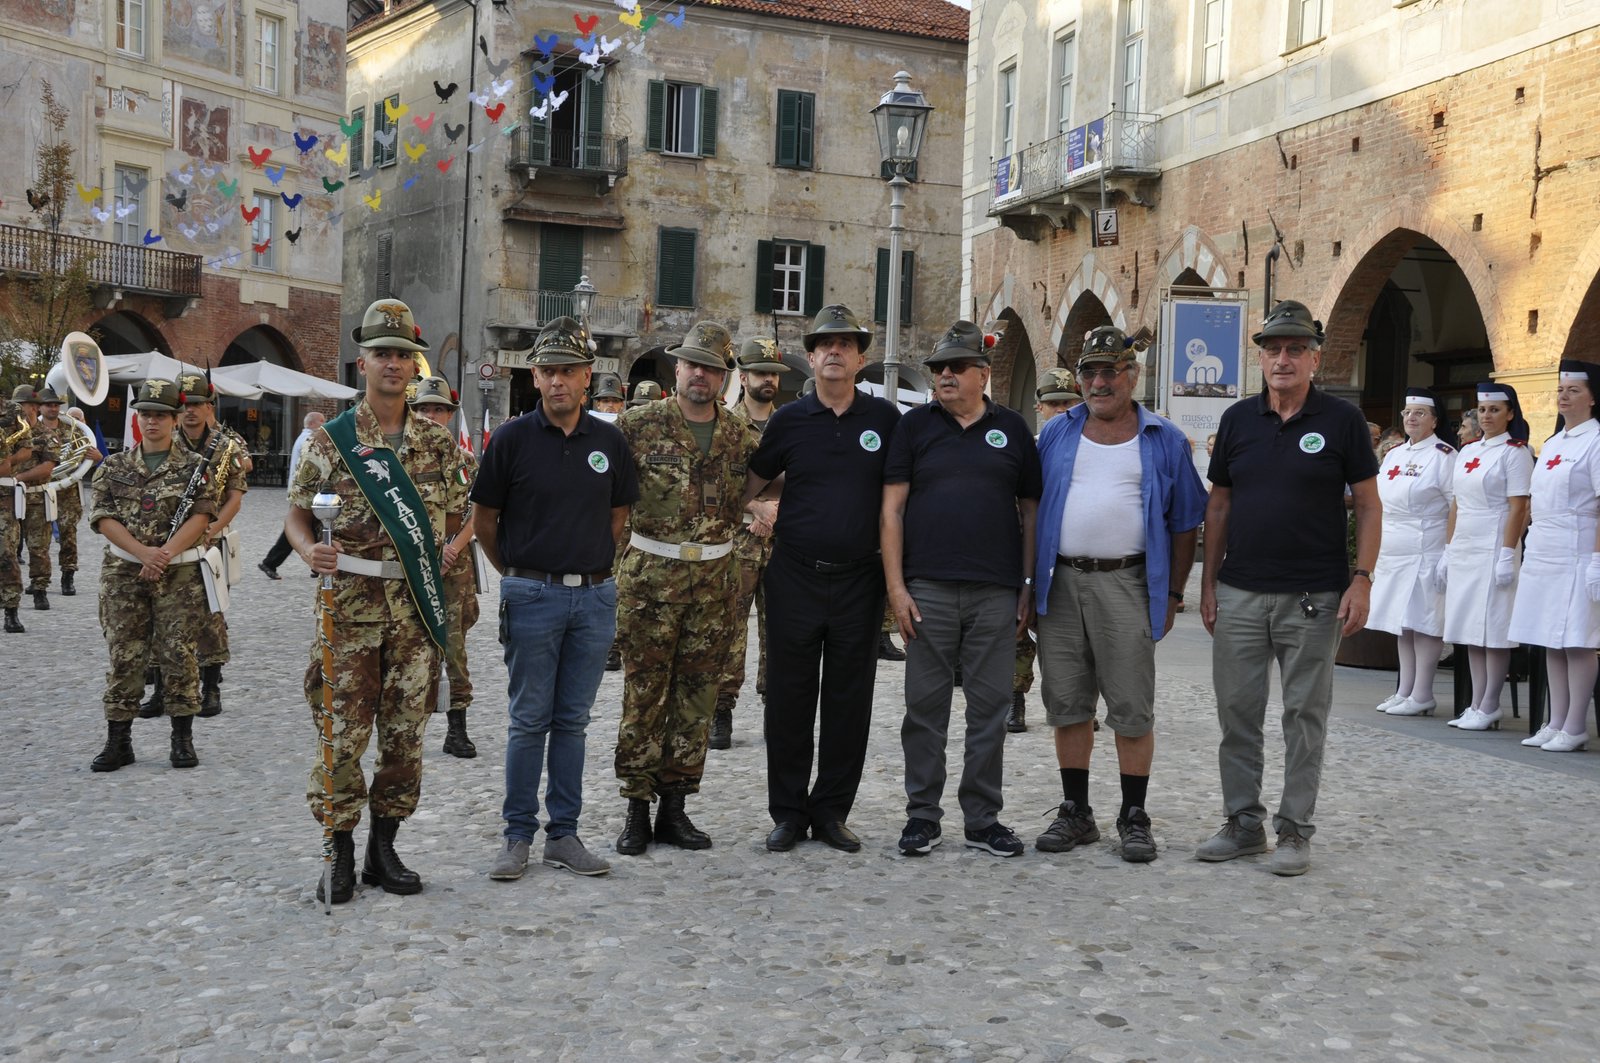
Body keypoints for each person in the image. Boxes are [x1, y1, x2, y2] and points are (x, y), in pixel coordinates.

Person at [283, 298, 469, 904]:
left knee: (404, 734)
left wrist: (451, 549)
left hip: (415, 610)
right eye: (381, 353)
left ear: (414, 365)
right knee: (341, 732)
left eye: (402, 354)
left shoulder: (438, 445)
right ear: (361, 363)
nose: (393, 364)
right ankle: (336, 851)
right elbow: (296, 517)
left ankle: (383, 848)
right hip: (350, 610)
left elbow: (462, 515)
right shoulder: (330, 441)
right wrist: (310, 552)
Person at [1197, 299, 1380, 877]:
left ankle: (1296, 831)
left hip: (1314, 594)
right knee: (1237, 714)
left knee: (1305, 716)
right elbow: (1219, 505)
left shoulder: (1341, 421)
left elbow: (1370, 507)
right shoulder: (1237, 421)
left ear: (1314, 358)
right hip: (1242, 592)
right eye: (1273, 349)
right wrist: (1207, 583)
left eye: (1295, 349)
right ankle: (1244, 824)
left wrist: (1362, 579)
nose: (1283, 359)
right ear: (1261, 358)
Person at [1030, 327, 1206, 864]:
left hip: (1128, 583)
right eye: (1090, 372)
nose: (1099, 382)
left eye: (1111, 371)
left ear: (1132, 376)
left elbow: (1184, 524)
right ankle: (1076, 811)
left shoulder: (1164, 438)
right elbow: (1029, 507)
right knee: (1066, 703)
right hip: (1060, 584)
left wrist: (1174, 593)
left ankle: (1134, 815)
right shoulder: (1057, 433)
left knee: (1131, 706)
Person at [474, 320, 639, 879]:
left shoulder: (610, 441)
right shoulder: (512, 440)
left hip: (593, 599)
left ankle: (563, 835)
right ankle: (517, 836)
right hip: (532, 595)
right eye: (548, 371)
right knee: (527, 721)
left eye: (569, 370)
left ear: (587, 377)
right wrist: (520, 578)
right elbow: (484, 522)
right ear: (536, 378)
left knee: (572, 722)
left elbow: (619, 517)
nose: (558, 381)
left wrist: (588, 566)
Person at [882, 321, 1042, 859]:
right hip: (926, 590)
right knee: (924, 710)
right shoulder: (915, 427)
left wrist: (1026, 583)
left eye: (955, 367)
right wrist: (897, 588)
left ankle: (982, 818)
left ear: (983, 373)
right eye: (938, 368)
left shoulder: (1013, 429)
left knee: (989, 709)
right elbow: (892, 509)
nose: (944, 375)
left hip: (995, 591)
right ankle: (922, 817)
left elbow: (1030, 510)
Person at [744, 304, 900, 853]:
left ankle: (832, 811)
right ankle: (787, 812)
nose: (834, 351)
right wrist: (762, 509)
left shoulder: (885, 421)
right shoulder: (789, 421)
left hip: (860, 581)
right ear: (810, 358)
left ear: (860, 358)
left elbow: (899, 500)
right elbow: (753, 484)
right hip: (795, 578)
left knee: (848, 700)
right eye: (824, 344)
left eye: (846, 344)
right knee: (788, 699)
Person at [612, 321, 763, 855]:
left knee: (697, 698)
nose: (701, 375)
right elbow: (606, 499)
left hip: (714, 588)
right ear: (677, 368)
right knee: (644, 695)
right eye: (693, 364)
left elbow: (772, 488)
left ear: (727, 377)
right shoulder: (636, 426)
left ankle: (676, 807)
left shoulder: (744, 436)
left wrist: (765, 509)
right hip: (650, 583)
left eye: (713, 368)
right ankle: (635, 809)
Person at [87, 378, 214, 772]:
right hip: (124, 572)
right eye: (146, 414)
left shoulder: (195, 467)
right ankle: (119, 741)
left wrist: (165, 554)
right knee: (125, 653)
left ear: (176, 420)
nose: (153, 421)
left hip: (178, 575)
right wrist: (143, 553)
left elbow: (202, 516)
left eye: (161, 415)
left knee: (179, 654)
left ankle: (182, 738)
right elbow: (103, 517)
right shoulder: (114, 466)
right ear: (137, 418)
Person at [1507, 360, 1600, 752]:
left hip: (1577, 549)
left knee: (1577, 638)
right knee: (1550, 636)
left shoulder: (1596, 440)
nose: (1564, 396)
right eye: (1561, 390)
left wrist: (1596, 560)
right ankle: (1555, 720)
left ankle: (1576, 723)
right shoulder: (1556, 442)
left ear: (1593, 397)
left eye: (1574, 390)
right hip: (1546, 548)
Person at [156, 372, 250, 719]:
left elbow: (235, 498)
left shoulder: (227, 445)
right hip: (170, 538)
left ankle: (210, 687)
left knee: (211, 615)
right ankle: (164, 686)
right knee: (161, 613)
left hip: (210, 539)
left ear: (209, 407)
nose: (191, 412)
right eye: (185, 405)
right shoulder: (167, 440)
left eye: (197, 404)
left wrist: (211, 529)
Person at [1440, 382, 1532, 731]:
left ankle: (1491, 702)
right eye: (1482, 410)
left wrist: (1508, 552)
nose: (1487, 416)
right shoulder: (1467, 452)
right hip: (1465, 542)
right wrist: (1448, 549)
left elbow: (1519, 505)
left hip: (1495, 540)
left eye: (1494, 410)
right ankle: (1478, 702)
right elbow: (1456, 504)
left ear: (1510, 413)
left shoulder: (1515, 452)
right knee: (1468, 628)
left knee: (1492, 628)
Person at [711, 337, 789, 750]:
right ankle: (722, 710)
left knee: (780, 631)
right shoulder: (725, 425)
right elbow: (717, 485)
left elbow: (805, 481)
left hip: (782, 546)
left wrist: (775, 512)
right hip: (736, 543)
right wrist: (756, 508)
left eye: (774, 373)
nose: (768, 380)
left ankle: (774, 708)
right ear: (743, 377)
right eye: (760, 372)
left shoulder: (790, 424)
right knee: (729, 629)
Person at [1369, 388, 1457, 718]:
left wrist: (1449, 549)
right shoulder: (1393, 454)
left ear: (1435, 420)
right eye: (1407, 413)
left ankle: (1422, 693)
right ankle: (1404, 689)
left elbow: (1454, 505)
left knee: (1425, 621)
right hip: (1393, 546)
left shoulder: (1445, 455)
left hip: (1426, 545)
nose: (1411, 418)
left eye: (1419, 413)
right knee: (1401, 622)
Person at [409, 377, 481, 758]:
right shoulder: (399, 460)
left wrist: (453, 547)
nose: (431, 416)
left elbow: (477, 513)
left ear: (451, 415)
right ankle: (409, 724)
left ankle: (457, 727)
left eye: (438, 409)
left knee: (453, 645)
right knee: (409, 645)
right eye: (423, 409)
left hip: (453, 569)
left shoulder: (464, 461)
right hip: (411, 566)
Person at [1013, 367, 1083, 732]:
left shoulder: (1092, 445)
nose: (1061, 410)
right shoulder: (1031, 448)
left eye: (1068, 402)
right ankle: (1016, 700)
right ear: (1039, 407)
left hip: (1070, 558)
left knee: (1076, 640)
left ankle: (1079, 703)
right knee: (1020, 632)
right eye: (1053, 404)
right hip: (1033, 551)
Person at [36, 388, 102, 597]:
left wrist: (96, 456)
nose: (53, 408)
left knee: (68, 534)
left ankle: (68, 576)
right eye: (49, 405)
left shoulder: (73, 429)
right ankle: (39, 581)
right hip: (39, 489)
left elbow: (87, 455)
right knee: (39, 538)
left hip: (67, 490)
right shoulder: (32, 431)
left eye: (56, 405)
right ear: (41, 407)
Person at [260, 411, 326, 579]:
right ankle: (270, 562)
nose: (325, 425)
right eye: (322, 421)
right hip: (304, 492)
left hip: (304, 490)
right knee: (296, 529)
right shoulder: (310, 440)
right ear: (312, 424)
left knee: (312, 526)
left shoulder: (305, 438)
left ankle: (316, 567)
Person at [13, 385, 59, 611]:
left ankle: (40, 589)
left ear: (35, 407)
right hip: (8, 498)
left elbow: (48, 467)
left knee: (38, 546)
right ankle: (8, 591)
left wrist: (18, 477)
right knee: (6, 547)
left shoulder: (46, 434)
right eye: (20, 406)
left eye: (29, 406)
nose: (24, 410)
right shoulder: (7, 432)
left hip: (35, 498)